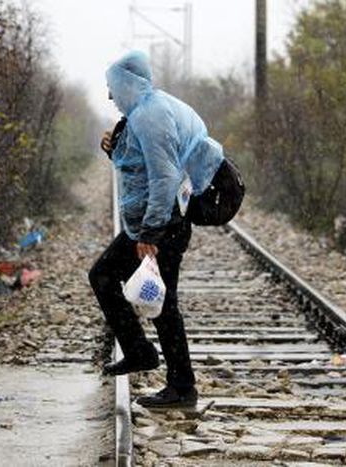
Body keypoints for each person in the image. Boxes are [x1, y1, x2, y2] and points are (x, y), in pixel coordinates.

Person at [89, 51, 224, 408]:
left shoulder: (150, 114)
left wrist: (150, 233)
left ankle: (181, 386)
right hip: (155, 222)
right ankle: (140, 352)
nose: (109, 96)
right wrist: (112, 148)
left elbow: (164, 177)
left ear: (127, 84)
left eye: (112, 88)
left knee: (161, 302)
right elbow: (139, 167)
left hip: (163, 224)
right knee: (104, 276)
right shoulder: (142, 112)